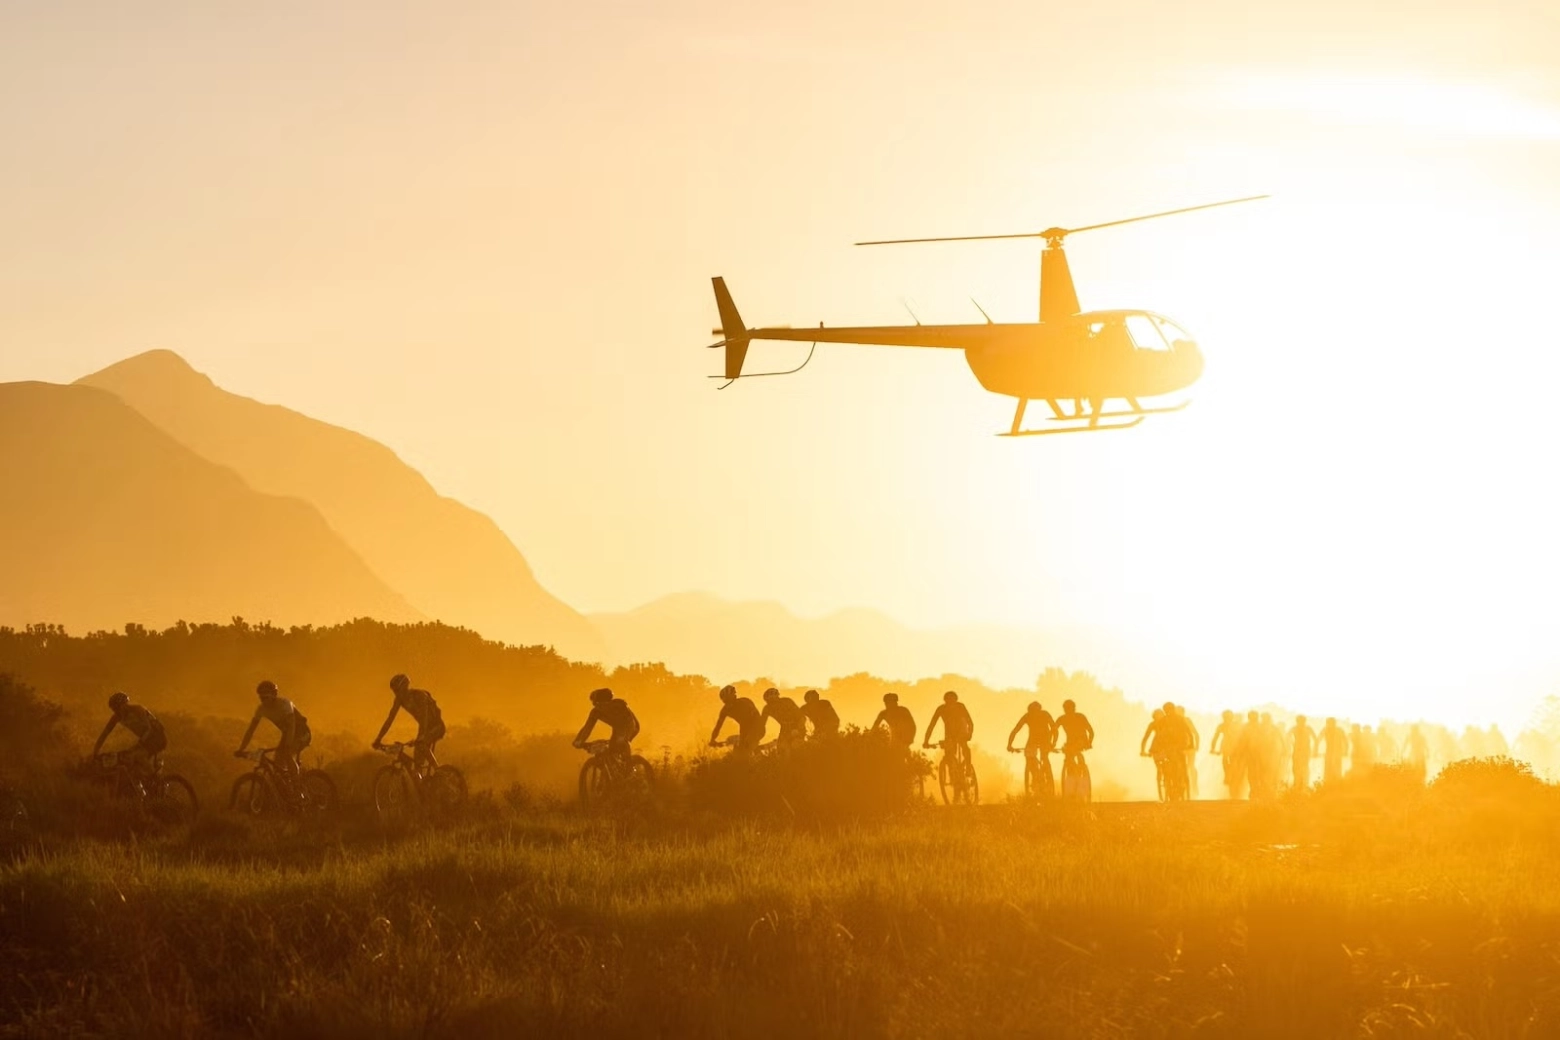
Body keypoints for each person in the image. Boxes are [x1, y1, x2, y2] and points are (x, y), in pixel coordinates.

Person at [372, 673, 445, 775]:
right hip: (423, 728)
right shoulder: (399, 700)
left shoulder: (419, 695)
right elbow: (389, 720)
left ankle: (440, 772)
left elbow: (425, 716)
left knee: (422, 745)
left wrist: (422, 736)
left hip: (436, 727)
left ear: (404, 687)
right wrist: (378, 739)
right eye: (394, 691)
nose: (396, 694)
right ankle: (423, 787)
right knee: (417, 766)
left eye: (397, 690)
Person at [236, 680, 312, 776]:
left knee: (287, 755)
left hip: (302, 733)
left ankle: (297, 784)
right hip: (287, 734)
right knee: (277, 762)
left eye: (266, 697)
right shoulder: (261, 709)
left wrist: (288, 745)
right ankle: (285, 786)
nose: (263, 701)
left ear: (274, 695)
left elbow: (291, 726)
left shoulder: (285, 704)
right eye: (261, 698)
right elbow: (250, 731)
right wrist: (241, 749)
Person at [92, 691, 168, 776]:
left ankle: (155, 779)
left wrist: (140, 744)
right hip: (146, 739)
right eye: (114, 709)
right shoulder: (116, 717)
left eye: (117, 708)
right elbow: (104, 735)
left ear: (124, 704)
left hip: (157, 736)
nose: (116, 712)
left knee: (138, 756)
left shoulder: (138, 709)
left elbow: (148, 729)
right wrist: (95, 753)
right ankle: (141, 783)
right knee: (129, 760)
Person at [573, 687, 640, 757]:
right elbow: (587, 727)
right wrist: (578, 740)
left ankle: (627, 763)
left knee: (617, 745)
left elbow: (587, 728)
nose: (596, 706)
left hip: (627, 728)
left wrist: (579, 741)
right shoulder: (617, 704)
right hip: (625, 728)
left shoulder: (617, 705)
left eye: (596, 703)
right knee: (613, 749)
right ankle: (622, 761)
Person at [1007, 701, 1056, 795]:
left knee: (1044, 757)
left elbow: (1054, 729)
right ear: (1030, 711)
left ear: (1040, 710)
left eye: (1036, 711)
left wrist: (1053, 743)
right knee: (1029, 757)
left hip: (1045, 740)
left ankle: (1046, 776)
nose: (1035, 714)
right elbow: (1016, 730)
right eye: (1033, 712)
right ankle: (1035, 776)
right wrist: (1009, 744)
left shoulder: (1044, 714)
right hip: (1033, 740)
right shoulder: (1027, 716)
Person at [710, 684, 763, 751]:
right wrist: (712, 739)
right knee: (732, 741)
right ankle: (755, 750)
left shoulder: (743, 703)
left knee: (745, 746)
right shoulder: (725, 710)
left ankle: (756, 751)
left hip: (758, 727)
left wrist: (743, 741)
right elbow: (718, 726)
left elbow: (746, 723)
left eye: (730, 700)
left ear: (734, 697)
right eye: (726, 702)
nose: (729, 705)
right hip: (747, 728)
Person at [1209, 710, 1246, 799]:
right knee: (1225, 761)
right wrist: (1213, 747)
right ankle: (1227, 775)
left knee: (1236, 765)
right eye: (1225, 718)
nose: (1227, 719)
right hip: (1226, 748)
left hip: (1237, 749)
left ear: (1232, 718)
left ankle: (1235, 779)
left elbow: (1243, 736)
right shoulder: (1221, 726)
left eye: (1228, 718)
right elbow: (1215, 737)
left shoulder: (1236, 725)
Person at [1056, 699, 1094, 764]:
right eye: (1066, 708)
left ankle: (1082, 766)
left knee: (1076, 751)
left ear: (1074, 708)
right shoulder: (1062, 719)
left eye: (1069, 708)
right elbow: (1053, 730)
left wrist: (1089, 743)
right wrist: (1050, 743)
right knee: (1068, 757)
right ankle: (1071, 768)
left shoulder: (1080, 717)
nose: (1068, 710)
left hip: (1082, 741)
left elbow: (1090, 731)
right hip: (1070, 742)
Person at [1175, 705, 1201, 798]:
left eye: (1180, 712)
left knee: (1191, 766)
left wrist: (1196, 745)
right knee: (1178, 766)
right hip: (1178, 748)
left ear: (1183, 712)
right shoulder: (1173, 721)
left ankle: (1194, 784)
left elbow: (1195, 733)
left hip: (1189, 748)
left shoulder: (1187, 720)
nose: (1178, 714)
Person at [1289, 715, 1316, 790]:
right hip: (1296, 751)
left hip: (1305, 751)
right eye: (1299, 721)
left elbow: (1315, 738)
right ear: (1297, 721)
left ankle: (1304, 784)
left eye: (1303, 721)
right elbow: (1287, 736)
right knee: (1295, 767)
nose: (1301, 723)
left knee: (1304, 767)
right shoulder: (1294, 728)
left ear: (1305, 721)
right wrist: (1290, 744)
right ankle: (1296, 783)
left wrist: (1315, 750)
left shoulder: (1308, 728)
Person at [1319, 717, 1349, 784]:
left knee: (1337, 770)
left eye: (1332, 723)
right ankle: (1327, 784)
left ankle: (1337, 784)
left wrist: (1346, 751)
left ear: (1335, 723)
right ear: (1327, 723)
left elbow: (1345, 741)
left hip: (1338, 753)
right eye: (1329, 723)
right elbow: (1318, 739)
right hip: (1328, 752)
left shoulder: (1340, 730)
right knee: (1327, 770)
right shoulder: (1325, 730)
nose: (1330, 725)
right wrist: (1315, 750)